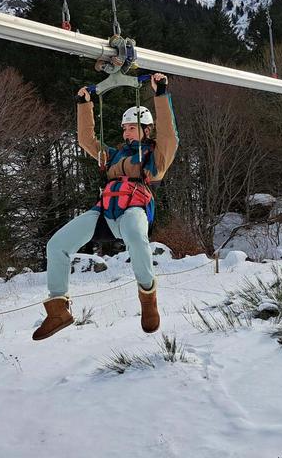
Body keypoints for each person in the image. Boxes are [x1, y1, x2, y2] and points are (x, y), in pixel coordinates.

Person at [32, 73, 179, 340]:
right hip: (104, 212)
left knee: (136, 236)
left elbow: (170, 135)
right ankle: (58, 309)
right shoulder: (113, 155)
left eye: (131, 127)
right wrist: (83, 104)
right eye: (124, 128)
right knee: (57, 245)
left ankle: (148, 298)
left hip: (134, 210)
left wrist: (161, 95)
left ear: (146, 130)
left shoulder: (156, 155)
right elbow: (86, 141)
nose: (125, 132)